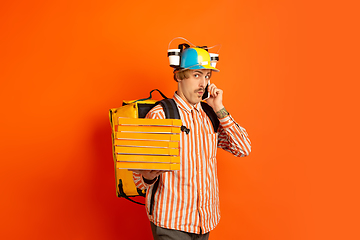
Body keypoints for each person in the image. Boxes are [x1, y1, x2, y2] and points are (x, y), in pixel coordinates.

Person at [132, 46, 251, 240]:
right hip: (172, 223)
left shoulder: (210, 116)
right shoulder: (161, 116)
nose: (203, 83)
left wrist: (219, 107)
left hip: (205, 222)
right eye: (196, 75)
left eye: (207, 76)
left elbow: (243, 148)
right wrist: (147, 175)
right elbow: (139, 178)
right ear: (179, 76)